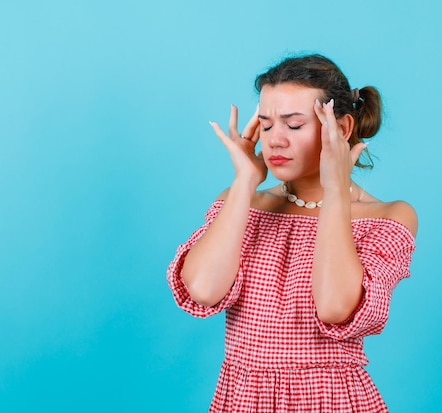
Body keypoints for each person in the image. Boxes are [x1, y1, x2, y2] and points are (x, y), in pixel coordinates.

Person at [166, 53, 417, 413]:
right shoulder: (242, 205)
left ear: (341, 129)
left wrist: (335, 191)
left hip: (330, 400)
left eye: (294, 125)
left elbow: (334, 307)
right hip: (242, 399)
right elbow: (203, 291)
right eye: (266, 126)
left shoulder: (388, 217)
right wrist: (245, 182)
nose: (275, 141)